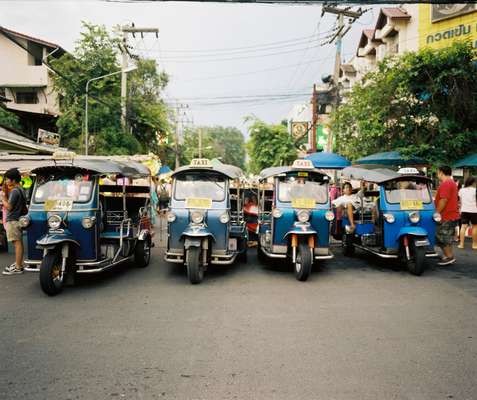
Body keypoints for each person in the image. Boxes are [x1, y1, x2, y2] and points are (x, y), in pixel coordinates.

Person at [2, 168, 27, 275]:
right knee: (18, 243)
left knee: (17, 244)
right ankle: (18, 264)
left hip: (13, 220)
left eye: (7, 179)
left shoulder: (15, 191)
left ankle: (18, 266)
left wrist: (3, 198)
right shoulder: (21, 189)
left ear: (13, 180)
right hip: (18, 219)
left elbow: (9, 207)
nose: (6, 181)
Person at [435, 165, 460, 266]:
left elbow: (444, 199)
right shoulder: (451, 182)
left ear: (441, 172)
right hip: (451, 214)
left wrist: (437, 212)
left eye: (437, 172)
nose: (437, 174)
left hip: (446, 215)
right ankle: (447, 255)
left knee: (442, 236)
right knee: (445, 236)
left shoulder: (446, 183)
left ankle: (449, 257)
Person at [458, 176, 477, 250]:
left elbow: (460, 201)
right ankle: (474, 244)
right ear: (473, 182)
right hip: (474, 211)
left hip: (464, 210)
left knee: (463, 226)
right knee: (475, 227)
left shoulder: (461, 190)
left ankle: (461, 244)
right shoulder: (475, 190)